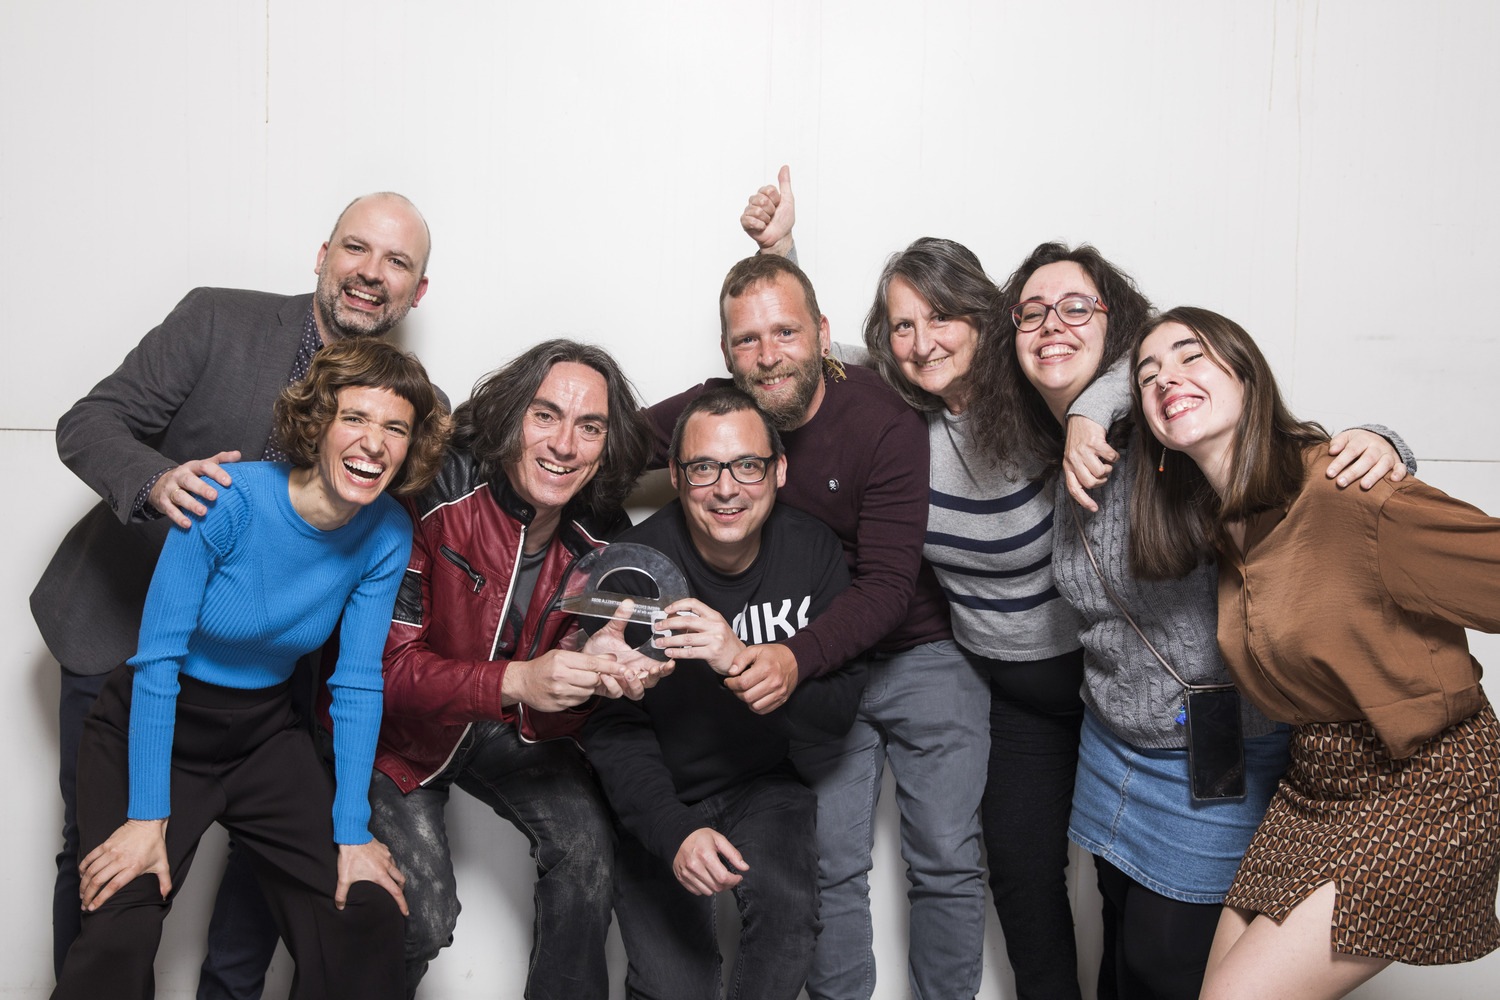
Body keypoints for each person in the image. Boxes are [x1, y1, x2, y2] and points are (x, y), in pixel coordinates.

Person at [964, 243, 1411, 1000]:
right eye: (1031, 313)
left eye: (1076, 307)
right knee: (1120, 951)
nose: (1052, 325)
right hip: (1114, 748)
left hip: (1213, 757)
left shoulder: (1169, 428)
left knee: (1168, 965)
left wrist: (1379, 443)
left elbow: (1273, 451)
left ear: (1116, 326)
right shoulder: (1061, 447)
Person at [31, 191, 434, 996]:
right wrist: (159, 484)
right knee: (106, 870)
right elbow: (88, 423)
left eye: (397, 262)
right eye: (357, 248)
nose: (371, 272)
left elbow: (359, 654)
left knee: (288, 878)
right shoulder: (217, 321)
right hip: (124, 634)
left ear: (417, 291)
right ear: (323, 254)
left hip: (262, 684)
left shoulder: (398, 415)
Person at [651, 174, 989, 1000]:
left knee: (946, 856)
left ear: (825, 335)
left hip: (915, 650)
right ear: (726, 353)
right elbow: (607, 434)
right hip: (819, 669)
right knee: (830, 862)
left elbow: (886, 587)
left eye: (786, 334)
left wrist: (790, 659)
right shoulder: (723, 415)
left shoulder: (882, 416)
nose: (768, 356)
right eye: (747, 342)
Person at [1130, 306, 1500, 1000]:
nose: (1166, 379)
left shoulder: (1344, 487)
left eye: (1190, 356)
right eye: (1147, 375)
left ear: (1248, 376)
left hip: (1427, 783)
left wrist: (1386, 444)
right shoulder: (1225, 525)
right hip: (1314, 789)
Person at [367, 338, 655, 999]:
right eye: (545, 415)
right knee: (421, 917)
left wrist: (600, 675)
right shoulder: (432, 489)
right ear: (510, 416)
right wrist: (517, 681)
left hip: (508, 728)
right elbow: (385, 672)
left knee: (587, 847)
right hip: (395, 736)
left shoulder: (603, 534)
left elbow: (570, 685)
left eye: (590, 427)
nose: (564, 445)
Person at [582, 386, 849, 999]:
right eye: (704, 467)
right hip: (658, 793)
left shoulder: (813, 550)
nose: (727, 488)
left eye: (747, 465)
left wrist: (737, 661)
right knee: (676, 987)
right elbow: (611, 730)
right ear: (676, 476)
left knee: (788, 922)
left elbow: (835, 714)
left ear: (779, 471)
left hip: (763, 783)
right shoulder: (631, 568)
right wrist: (673, 830)